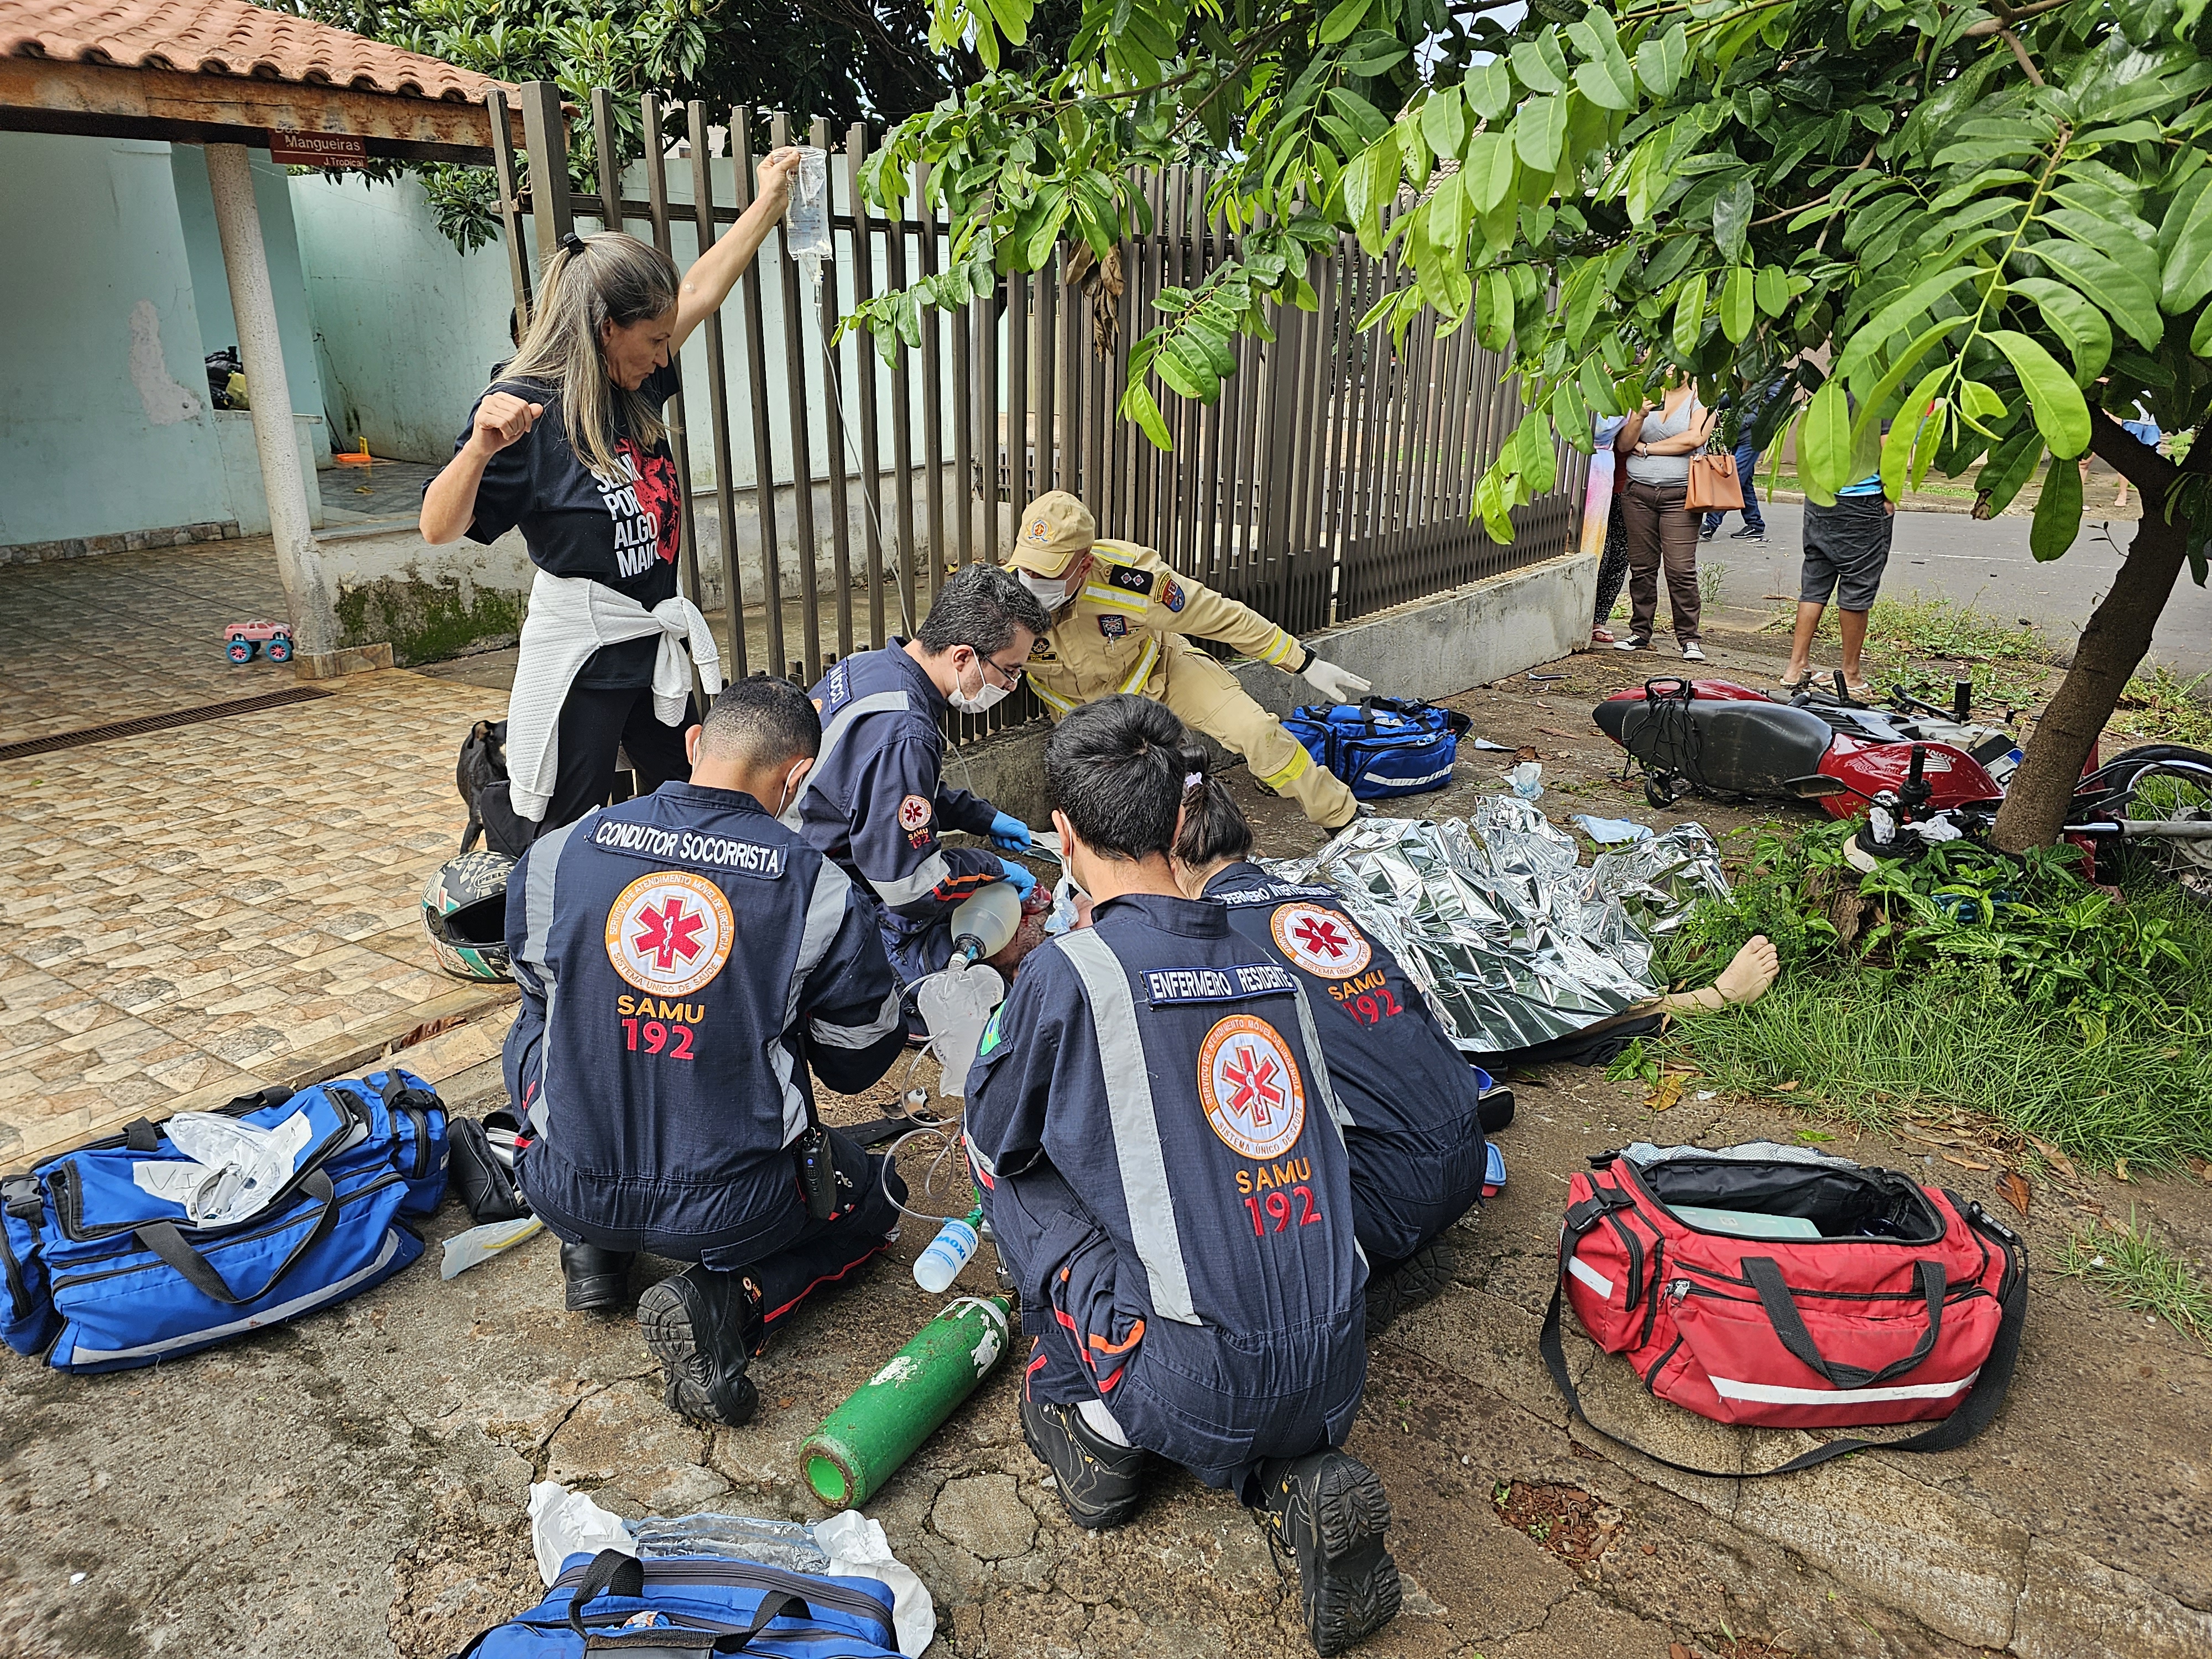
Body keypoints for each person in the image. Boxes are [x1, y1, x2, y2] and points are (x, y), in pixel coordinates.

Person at [965, 696, 1398, 1657]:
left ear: (1063, 834)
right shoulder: (1269, 964)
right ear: (1177, 823)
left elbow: (1002, 1129)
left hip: (1192, 1378)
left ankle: (1101, 1434)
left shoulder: (1074, 969)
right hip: (1335, 1363)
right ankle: (1290, 1477)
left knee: (1006, 1168)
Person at [502, 677, 910, 1426]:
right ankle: (725, 1299)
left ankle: (594, 1249)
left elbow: (533, 988)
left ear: (695, 745)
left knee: (542, 1017)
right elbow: (855, 1057)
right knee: (877, 1198)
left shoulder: (561, 853)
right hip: (736, 1213)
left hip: (566, 1181)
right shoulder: (815, 889)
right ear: (795, 779)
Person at [421, 147, 805, 848]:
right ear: (606, 330)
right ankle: (497, 803)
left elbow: (699, 291)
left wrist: (768, 203)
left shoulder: (630, 382)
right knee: (561, 823)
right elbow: (437, 527)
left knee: (685, 797)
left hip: (650, 640)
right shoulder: (526, 410)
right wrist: (478, 447)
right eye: (655, 340)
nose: (667, 356)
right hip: (584, 656)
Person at [1170, 773, 1486, 1333]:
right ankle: (1392, 1247)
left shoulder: (1210, 944)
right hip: (1465, 1160)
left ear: (1172, 859)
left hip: (1387, 1200)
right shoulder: (1322, 902)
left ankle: (1341, 1283)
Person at [1004, 492, 1371, 832]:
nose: (1031, 581)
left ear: (1084, 565)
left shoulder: (1132, 583)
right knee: (1120, 815)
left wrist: (1304, 662)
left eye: (1047, 573)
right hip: (1087, 714)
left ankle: (1344, 819)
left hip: (1159, 672)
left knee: (1257, 731)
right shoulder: (1002, 599)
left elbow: (1223, 616)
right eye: (1028, 568)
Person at [799, 562, 1051, 988]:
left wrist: (983, 818)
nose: (1011, 686)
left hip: (807, 843)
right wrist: (995, 869)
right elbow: (910, 888)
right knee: (926, 973)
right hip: (819, 891)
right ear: (963, 656)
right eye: (1009, 670)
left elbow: (890, 790)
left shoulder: (871, 667)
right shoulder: (903, 732)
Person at [1614, 376, 1717, 662]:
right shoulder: (1647, 393)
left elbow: (1695, 438)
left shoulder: (1702, 395)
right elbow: (1624, 444)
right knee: (1642, 567)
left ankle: (1689, 638)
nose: (1670, 369)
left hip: (1681, 496)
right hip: (1638, 492)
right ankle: (1640, 631)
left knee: (1680, 569)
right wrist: (1639, 417)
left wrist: (1647, 449)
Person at [1781, 470, 1896, 697]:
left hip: (1819, 496)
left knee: (1815, 583)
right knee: (1858, 586)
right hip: (1862, 502)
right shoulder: (1881, 430)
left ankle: (1797, 667)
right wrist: (1891, 496)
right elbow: (1890, 450)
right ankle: (1850, 674)